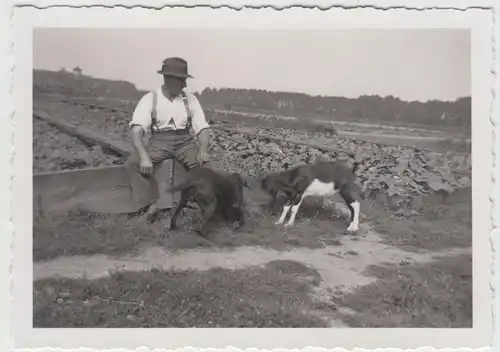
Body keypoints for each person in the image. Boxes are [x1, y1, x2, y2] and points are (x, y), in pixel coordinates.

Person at [125, 57, 211, 222]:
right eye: (182, 80)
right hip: (159, 142)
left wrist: (203, 148)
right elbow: (137, 131)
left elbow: (202, 128)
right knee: (132, 163)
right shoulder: (150, 99)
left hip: (185, 142)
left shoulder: (190, 99)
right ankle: (149, 204)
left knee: (206, 168)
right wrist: (144, 158)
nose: (185, 85)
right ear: (168, 79)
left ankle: (204, 206)